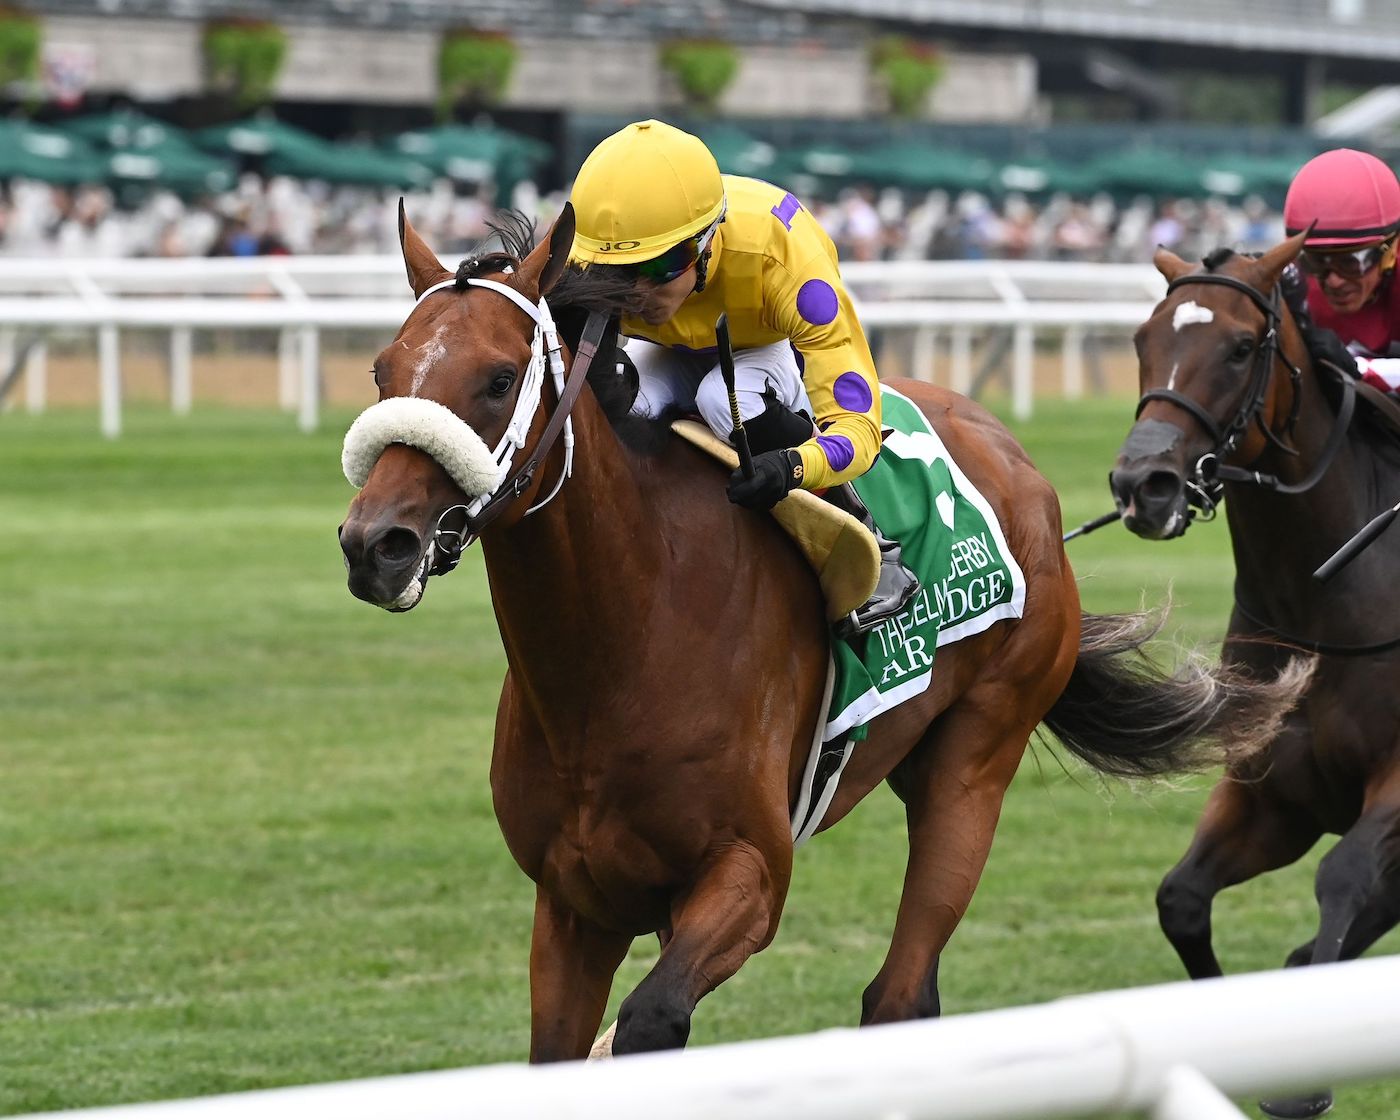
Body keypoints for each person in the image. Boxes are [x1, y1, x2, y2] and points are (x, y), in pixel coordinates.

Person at [567, 119, 918, 636]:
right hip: (669, 348)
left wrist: (792, 468)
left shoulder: (785, 261)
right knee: (617, 409)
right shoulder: (583, 263)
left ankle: (873, 544)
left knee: (721, 398)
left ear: (707, 243)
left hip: (766, 344)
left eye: (663, 264)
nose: (638, 291)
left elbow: (857, 431)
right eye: (619, 272)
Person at [1282, 148, 1400, 394]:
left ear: (1390, 251)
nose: (1333, 281)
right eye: (1315, 262)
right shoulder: (1295, 284)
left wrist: (1357, 369)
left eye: (1350, 262)